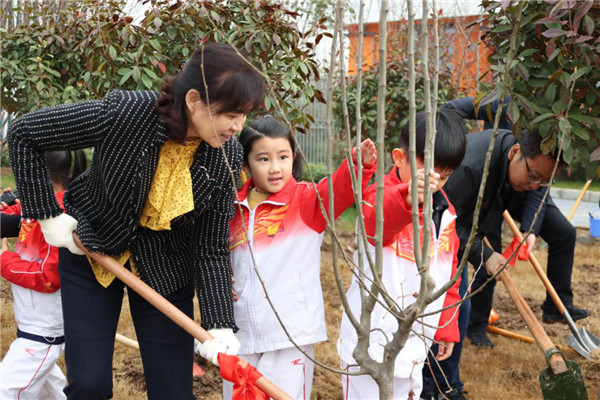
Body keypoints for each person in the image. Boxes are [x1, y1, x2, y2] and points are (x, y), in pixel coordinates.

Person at [8, 42, 264, 399]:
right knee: (89, 386)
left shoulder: (226, 156)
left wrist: (219, 324)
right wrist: (50, 218)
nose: (238, 126)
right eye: (229, 114)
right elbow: (25, 134)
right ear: (193, 100)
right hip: (90, 247)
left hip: (166, 266)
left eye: (244, 115)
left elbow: (210, 248)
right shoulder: (127, 113)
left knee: (173, 392)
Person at [421, 123, 589, 400]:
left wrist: (530, 229)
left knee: (461, 306)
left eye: (543, 181)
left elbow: (534, 187)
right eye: (534, 176)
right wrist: (485, 255)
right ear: (515, 152)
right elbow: (448, 226)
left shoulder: (525, 165)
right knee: (451, 306)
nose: (535, 185)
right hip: (437, 231)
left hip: (471, 217)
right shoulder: (471, 168)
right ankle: (437, 388)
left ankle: (445, 385)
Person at [224, 116, 377, 398]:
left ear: (292, 156)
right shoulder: (232, 209)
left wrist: (357, 166)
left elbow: (339, 190)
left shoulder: (306, 201)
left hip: (290, 335)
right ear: (245, 164)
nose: (275, 168)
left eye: (282, 157)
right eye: (263, 159)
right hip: (240, 334)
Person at [338, 109, 466, 400]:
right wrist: (409, 199)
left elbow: (448, 275)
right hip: (371, 342)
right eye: (427, 174)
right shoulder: (378, 197)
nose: (434, 184)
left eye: (444, 178)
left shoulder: (445, 214)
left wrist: (446, 326)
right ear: (399, 158)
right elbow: (375, 226)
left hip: (414, 344)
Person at [0, 150, 86, 399]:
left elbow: (48, 277)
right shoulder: (38, 202)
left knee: (6, 391)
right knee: (52, 393)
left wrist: (4, 259)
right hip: (32, 324)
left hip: (42, 332)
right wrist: (8, 205)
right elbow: (18, 214)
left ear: (37, 175)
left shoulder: (60, 215)